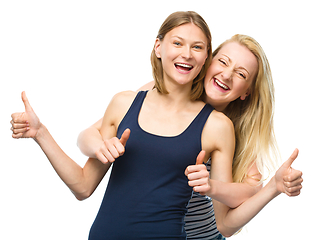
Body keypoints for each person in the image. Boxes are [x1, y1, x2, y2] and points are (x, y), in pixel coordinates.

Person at [11, 11, 237, 239]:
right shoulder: (123, 104)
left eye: (197, 47)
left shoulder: (217, 126)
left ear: (206, 57)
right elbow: (82, 186)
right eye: (177, 43)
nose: (186, 54)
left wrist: (269, 189)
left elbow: (224, 221)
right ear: (158, 47)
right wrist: (40, 133)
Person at [76, 35, 303, 239]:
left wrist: (268, 188)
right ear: (207, 60)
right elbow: (89, 134)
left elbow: (231, 218)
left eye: (241, 74)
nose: (227, 74)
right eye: (223, 61)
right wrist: (101, 146)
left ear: (247, 92)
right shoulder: (158, 91)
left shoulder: (230, 130)